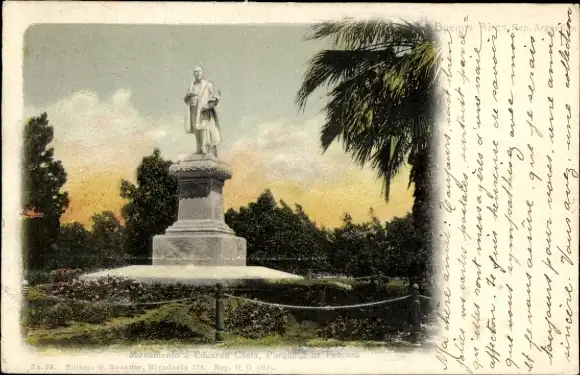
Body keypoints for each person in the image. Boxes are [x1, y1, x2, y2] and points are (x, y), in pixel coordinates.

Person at [184, 66, 221, 156]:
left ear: (202, 72)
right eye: (196, 71)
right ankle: (198, 149)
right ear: (194, 73)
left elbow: (214, 97)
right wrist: (189, 95)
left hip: (203, 110)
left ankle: (204, 147)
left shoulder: (208, 84)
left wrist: (209, 105)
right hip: (193, 109)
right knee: (196, 130)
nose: (198, 73)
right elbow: (186, 100)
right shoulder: (191, 85)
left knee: (203, 127)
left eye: (199, 71)